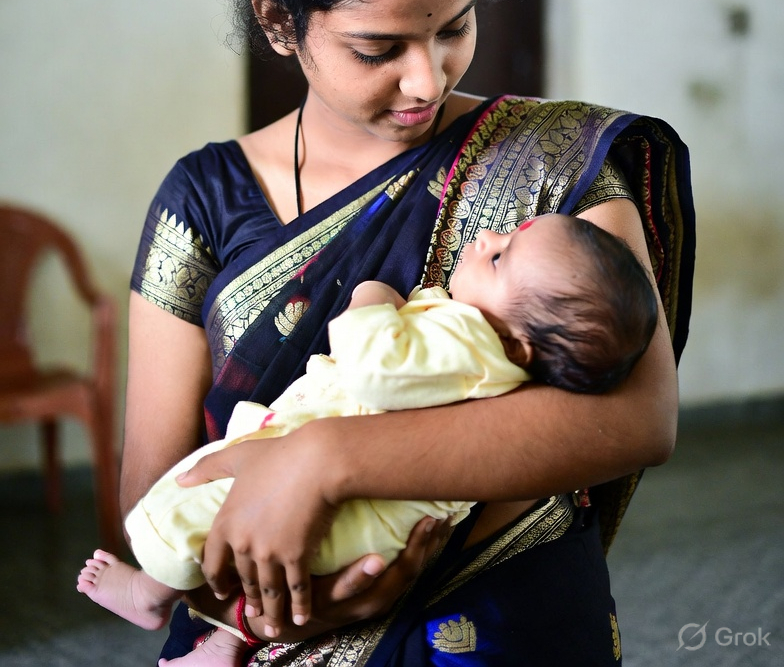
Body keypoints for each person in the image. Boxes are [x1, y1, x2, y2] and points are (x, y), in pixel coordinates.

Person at [118, 0, 695, 667]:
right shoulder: (203, 199)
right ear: (279, 22)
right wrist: (263, 613)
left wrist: (329, 459)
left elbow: (637, 419)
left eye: (455, 28)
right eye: (378, 49)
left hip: (513, 631)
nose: (427, 80)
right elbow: (150, 500)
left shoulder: (553, 159)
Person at [78, 213, 658, 664]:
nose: (485, 238)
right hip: (371, 530)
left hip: (351, 505)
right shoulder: (494, 360)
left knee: (197, 511)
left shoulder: (471, 339)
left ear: (518, 345)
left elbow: (373, 368)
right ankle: (225, 641)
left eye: (501, 256)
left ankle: (152, 592)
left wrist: (373, 298)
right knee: (257, 557)